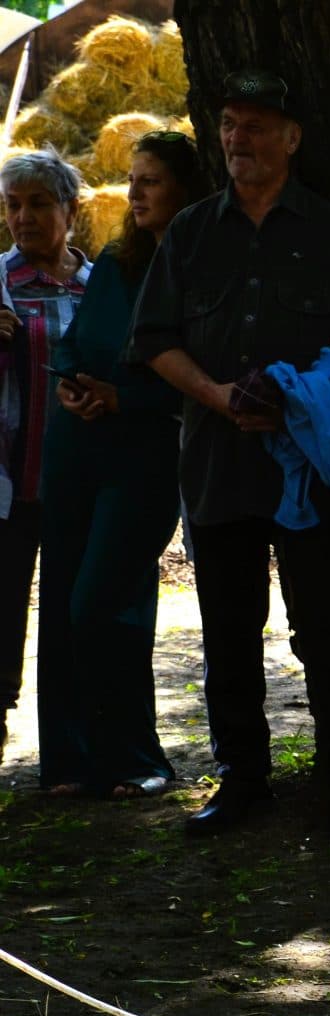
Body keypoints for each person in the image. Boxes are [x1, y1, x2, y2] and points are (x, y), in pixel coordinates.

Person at [130, 70, 330, 841]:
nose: (237, 139)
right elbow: (154, 342)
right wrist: (217, 396)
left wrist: (292, 401)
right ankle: (244, 779)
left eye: (254, 125)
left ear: (291, 138)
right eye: (228, 124)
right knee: (227, 633)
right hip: (216, 462)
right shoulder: (191, 232)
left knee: (327, 629)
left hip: (309, 469)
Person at [37, 131, 203, 798]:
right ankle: (72, 765)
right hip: (75, 447)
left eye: (151, 181)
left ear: (186, 190)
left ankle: (137, 759)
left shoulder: (203, 272)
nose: (133, 193)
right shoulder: (115, 261)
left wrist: (125, 398)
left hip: (145, 455)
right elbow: (77, 344)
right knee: (64, 604)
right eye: (132, 179)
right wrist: (70, 382)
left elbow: (204, 377)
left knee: (104, 602)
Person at [0, 150, 90, 768]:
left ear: (70, 210)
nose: (22, 217)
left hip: (77, 483)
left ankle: (69, 757)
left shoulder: (100, 286)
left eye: (37, 203)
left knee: (72, 618)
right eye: (12, 205)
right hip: (8, 486)